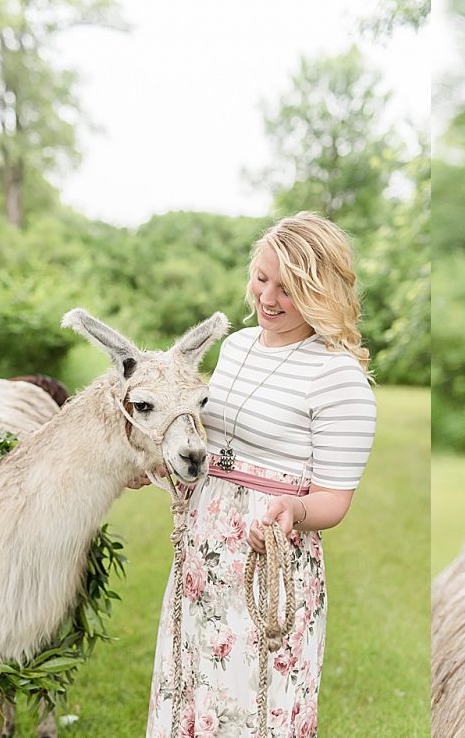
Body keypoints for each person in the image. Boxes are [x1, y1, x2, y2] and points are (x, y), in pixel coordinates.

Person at [145, 212, 377, 737]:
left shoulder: (338, 376)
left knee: (253, 698)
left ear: (320, 292)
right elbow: (215, 445)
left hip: (267, 557)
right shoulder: (237, 347)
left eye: (288, 289)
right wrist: (164, 467)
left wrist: (293, 511)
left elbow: (333, 500)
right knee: (191, 680)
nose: (267, 298)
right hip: (205, 547)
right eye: (261, 278)